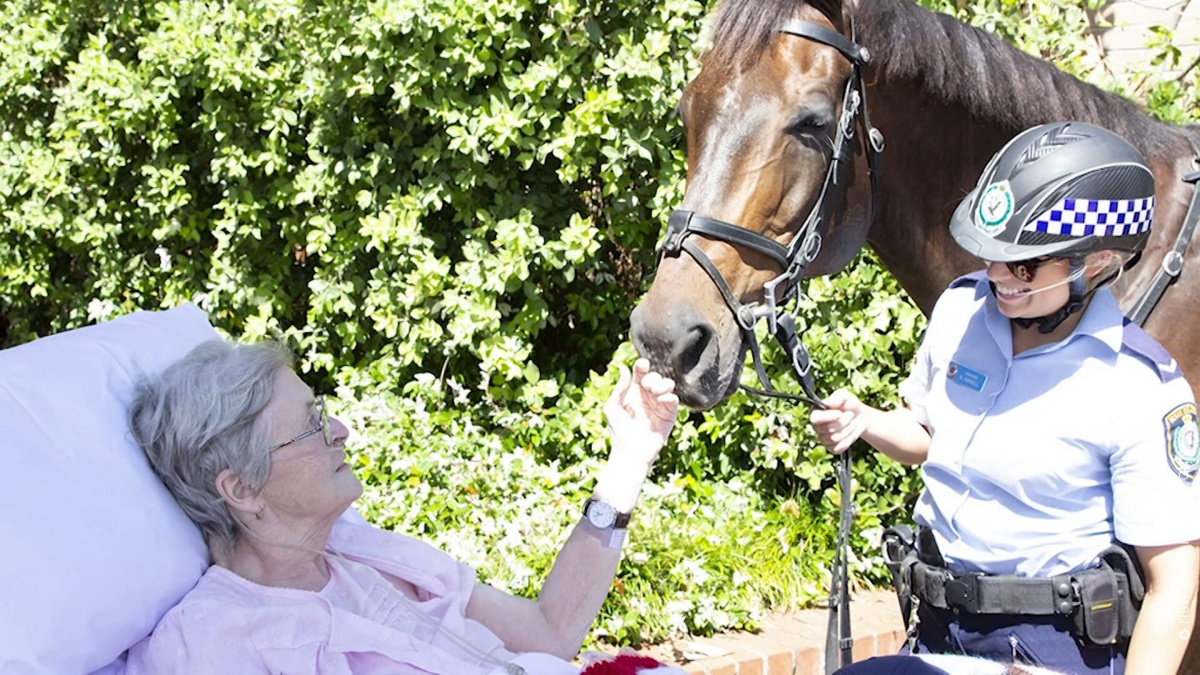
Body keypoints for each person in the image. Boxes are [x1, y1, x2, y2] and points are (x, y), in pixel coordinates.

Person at [810, 121, 1200, 674]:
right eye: (990, 254)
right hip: (938, 626)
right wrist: (865, 420)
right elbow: (927, 437)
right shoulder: (960, 311)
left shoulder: (1138, 386)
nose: (997, 275)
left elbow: (1174, 590)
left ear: (1098, 261)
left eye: (1023, 263)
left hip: (1050, 648)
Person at [122, 338, 681, 674]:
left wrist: (632, 454)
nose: (340, 430)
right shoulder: (209, 644)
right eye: (310, 426)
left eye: (325, 412)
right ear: (242, 489)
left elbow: (550, 633)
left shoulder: (368, 558)